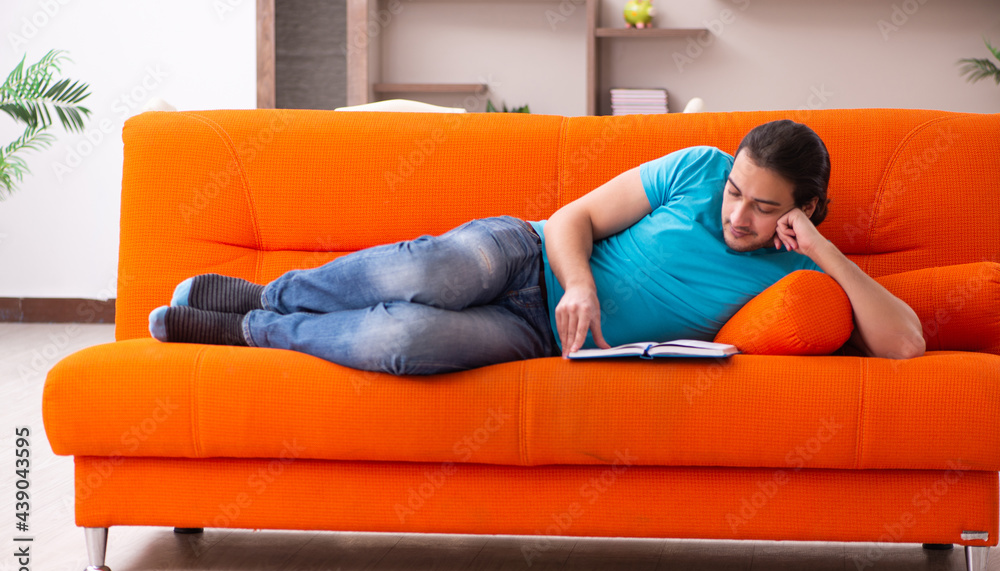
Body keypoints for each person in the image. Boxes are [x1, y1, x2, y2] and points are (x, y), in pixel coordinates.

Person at [148, 119, 925, 374]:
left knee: (407, 338)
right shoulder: (696, 167)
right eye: (735, 194)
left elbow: (905, 343)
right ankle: (270, 293)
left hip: (538, 336)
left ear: (805, 208)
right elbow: (568, 220)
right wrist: (580, 283)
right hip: (529, 258)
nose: (737, 216)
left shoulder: (799, 258)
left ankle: (248, 328)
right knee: (431, 270)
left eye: (762, 209)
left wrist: (822, 250)